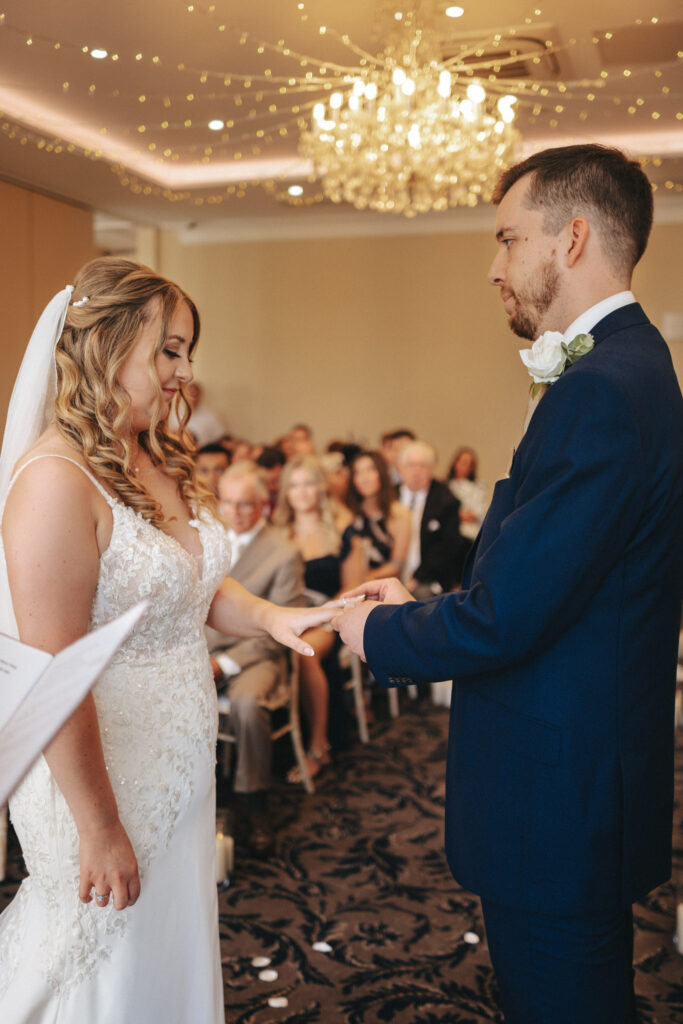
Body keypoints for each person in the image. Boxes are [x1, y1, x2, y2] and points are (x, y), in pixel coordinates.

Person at [333, 145, 683, 1024]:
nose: (492, 267)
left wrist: (374, 634)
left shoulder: (601, 388)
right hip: (582, 776)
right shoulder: (631, 371)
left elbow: (506, 617)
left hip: (556, 798)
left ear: (570, 239)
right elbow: (551, 578)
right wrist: (420, 605)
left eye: (505, 238)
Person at [0, 258, 341, 1023]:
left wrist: (272, 619)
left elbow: (191, 583)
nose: (186, 373)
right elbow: (54, 673)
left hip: (175, 764)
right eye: (170, 350)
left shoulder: (150, 454)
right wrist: (99, 827)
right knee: (102, 955)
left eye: (188, 352)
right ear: (105, 346)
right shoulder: (56, 479)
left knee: (163, 946)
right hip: (100, 779)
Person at [206, 461, 304, 855]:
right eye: (227, 503)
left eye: (245, 504)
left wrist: (223, 665)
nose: (235, 513)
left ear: (263, 504)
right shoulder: (208, 538)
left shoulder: (283, 552)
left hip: (258, 654)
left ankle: (254, 801)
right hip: (203, 648)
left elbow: (280, 630)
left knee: (246, 703)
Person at [273, 454, 363, 780]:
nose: (302, 491)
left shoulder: (343, 533)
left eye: (309, 483)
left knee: (306, 654)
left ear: (320, 488)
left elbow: (353, 590)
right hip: (285, 613)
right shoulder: (277, 534)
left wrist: (320, 616)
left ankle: (317, 744)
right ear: (285, 492)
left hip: (331, 617)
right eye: (294, 485)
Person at [398, 440, 468, 598]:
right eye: (410, 465)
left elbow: (448, 547)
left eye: (423, 466)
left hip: (428, 580)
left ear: (432, 469)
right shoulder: (390, 497)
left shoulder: (446, 500)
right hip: (392, 574)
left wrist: (417, 578)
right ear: (400, 468)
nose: (416, 471)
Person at [344, 450, 411, 580]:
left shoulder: (400, 514)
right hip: (348, 586)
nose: (364, 478)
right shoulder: (348, 514)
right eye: (358, 472)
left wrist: (365, 579)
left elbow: (396, 566)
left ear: (381, 473)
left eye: (370, 470)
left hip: (384, 587)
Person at [446, 446, 488, 544]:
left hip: (472, 535)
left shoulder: (479, 487)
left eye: (470, 464)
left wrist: (466, 515)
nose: (466, 467)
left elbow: (480, 511)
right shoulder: (446, 487)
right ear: (456, 463)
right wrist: (458, 516)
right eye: (464, 463)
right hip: (451, 536)